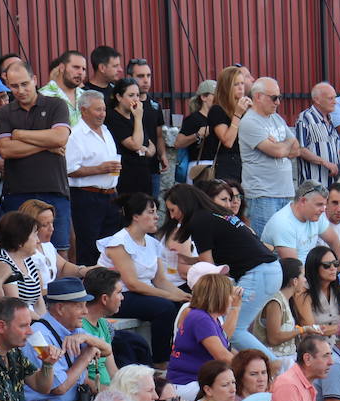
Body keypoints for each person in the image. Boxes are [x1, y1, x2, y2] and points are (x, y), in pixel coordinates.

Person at [162, 184, 280, 357]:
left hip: (258, 273)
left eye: (173, 210)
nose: (172, 216)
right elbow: (225, 254)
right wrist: (192, 260)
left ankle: (275, 367)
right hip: (268, 271)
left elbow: (209, 271)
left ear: (184, 204)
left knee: (236, 331)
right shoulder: (215, 214)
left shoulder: (199, 220)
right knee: (238, 328)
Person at [96, 194, 188, 362]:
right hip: (116, 294)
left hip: (140, 294)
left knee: (185, 304)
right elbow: (132, 284)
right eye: (151, 212)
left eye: (156, 211)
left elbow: (160, 280)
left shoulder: (152, 243)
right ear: (136, 216)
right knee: (165, 307)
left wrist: (183, 296)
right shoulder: (119, 241)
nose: (156, 216)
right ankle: (161, 360)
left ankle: (182, 355)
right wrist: (169, 296)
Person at [0, 62, 71, 252]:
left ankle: (59, 284)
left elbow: (60, 138)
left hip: (54, 190)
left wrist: (20, 134)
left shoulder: (56, 105)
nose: (20, 90)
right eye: (14, 86)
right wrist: (47, 145)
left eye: (24, 84)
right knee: (18, 249)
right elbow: (5, 150)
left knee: (59, 249)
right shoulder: (4, 112)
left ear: (34, 80)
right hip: (17, 193)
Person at [64, 91, 120, 267]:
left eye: (103, 109)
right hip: (87, 197)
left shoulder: (106, 130)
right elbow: (70, 169)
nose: (102, 113)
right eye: (98, 110)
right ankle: (89, 286)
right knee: (88, 244)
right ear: (84, 110)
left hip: (110, 195)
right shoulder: (76, 134)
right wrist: (100, 169)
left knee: (111, 243)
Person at [238, 78, 298, 230]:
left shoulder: (276, 118)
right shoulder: (250, 121)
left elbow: (296, 147)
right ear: (258, 97)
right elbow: (278, 152)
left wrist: (279, 145)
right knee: (266, 246)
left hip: (284, 192)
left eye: (279, 97)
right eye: (274, 98)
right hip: (263, 195)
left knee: (284, 243)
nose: (278, 102)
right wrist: (282, 146)